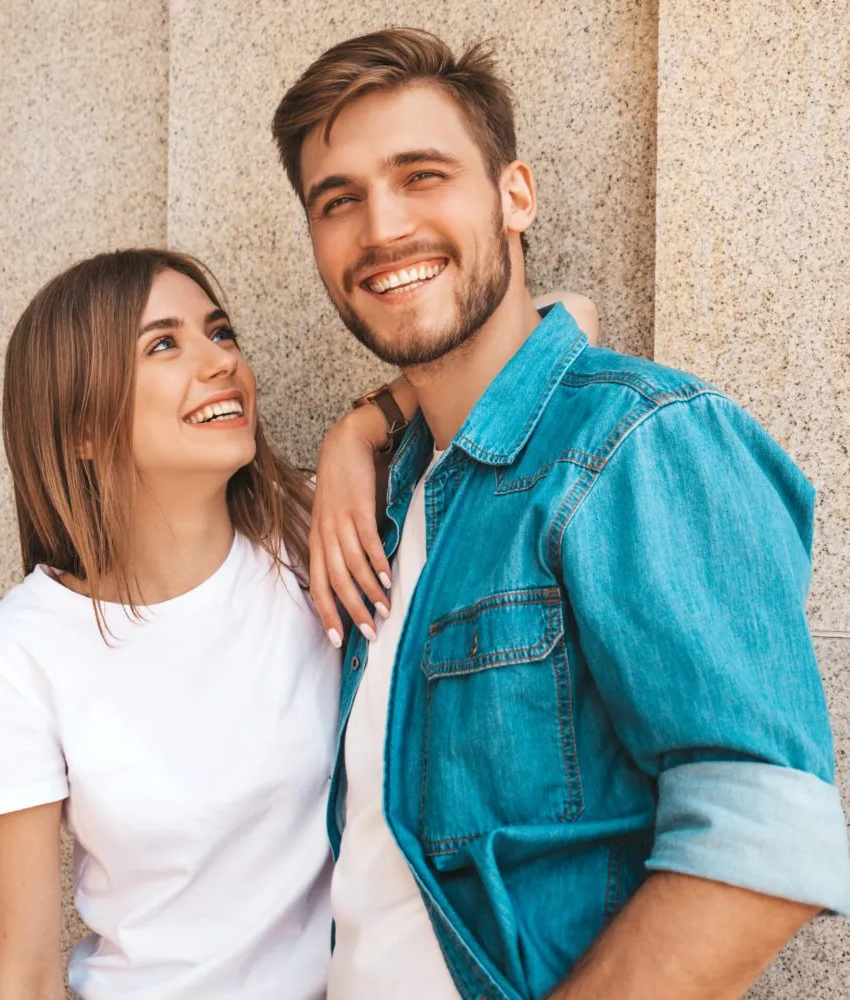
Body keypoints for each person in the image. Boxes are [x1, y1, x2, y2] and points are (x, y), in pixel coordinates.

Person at [272, 27, 850, 1000]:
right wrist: (361, 428)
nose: (380, 228)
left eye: (422, 176)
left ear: (514, 196)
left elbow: (768, 837)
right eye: (340, 201)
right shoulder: (396, 495)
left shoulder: (637, 440)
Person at [0, 247, 596, 999]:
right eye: (164, 344)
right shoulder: (19, 653)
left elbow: (562, 320)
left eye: (220, 332)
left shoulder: (314, 536)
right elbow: (25, 977)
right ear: (81, 430)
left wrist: (360, 428)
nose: (219, 361)